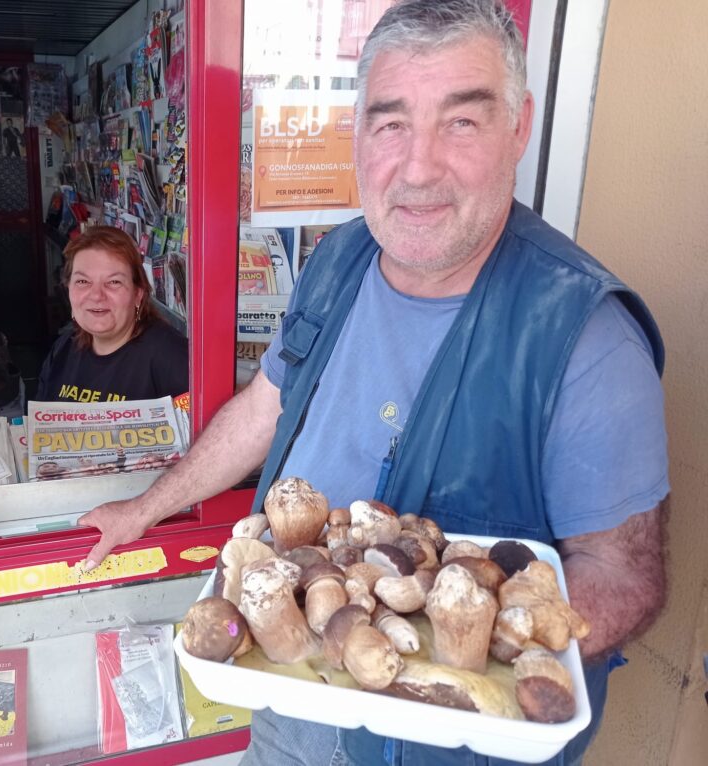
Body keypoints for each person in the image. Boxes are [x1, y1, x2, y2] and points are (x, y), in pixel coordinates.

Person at [76, 1, 668, 764]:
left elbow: (626, 576)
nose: (418, 167)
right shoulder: (340, 258)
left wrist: (439, 657)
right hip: (292, 689)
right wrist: (146, 508)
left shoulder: (584, 335)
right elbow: (267, 406)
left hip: (445, 738)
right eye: (390, 123)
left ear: (519, 128)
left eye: (462, 122)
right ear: (355, 134)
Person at [35, 226, 189, 403]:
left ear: (138, 294)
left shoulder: (172, 357)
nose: (96, 295)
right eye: (83, 281)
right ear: (68, 288)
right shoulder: (63, 349)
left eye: (114, 282)